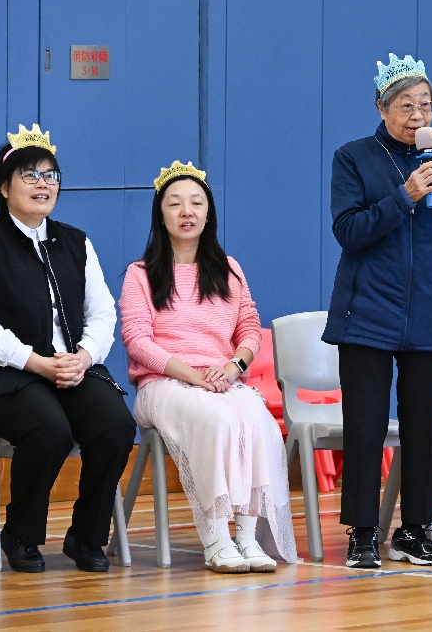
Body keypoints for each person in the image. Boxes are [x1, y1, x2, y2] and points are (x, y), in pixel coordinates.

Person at [323, 53, 432, 568]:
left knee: (424, 426)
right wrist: (404, 195)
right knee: (365, 425)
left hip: (429, 311)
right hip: (367, 312)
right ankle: (363, 531)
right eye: (405, 105)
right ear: (382, 109)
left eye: (426, 104)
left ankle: (416, 529)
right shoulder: (353, 157)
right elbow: (349, 230)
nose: (417, 114)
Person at [0, 124, 136, 573]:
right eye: (30, 175)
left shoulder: (76, 241)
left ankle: (87, 537)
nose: (43, 184)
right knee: (49, 428)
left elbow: (103, 312)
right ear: (3, 187)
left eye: (50, 175)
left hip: (69, 368)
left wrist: (84, 357)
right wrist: (36, 363)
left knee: (115, 425)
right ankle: (21, 534)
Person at [120, 161, 297, 574]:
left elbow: (249, 327)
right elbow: (137, 340)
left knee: (258, 420)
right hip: (164, 384)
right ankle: (216, 538)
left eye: (196, 202)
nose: (187, 211)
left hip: (221, 380)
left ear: (208, 212)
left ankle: (247, 537)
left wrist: (233, 368)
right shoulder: (140, 274)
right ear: (160, 214)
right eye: (175, 203)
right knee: (217, 420)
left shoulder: (229, 269)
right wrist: (193, 376)